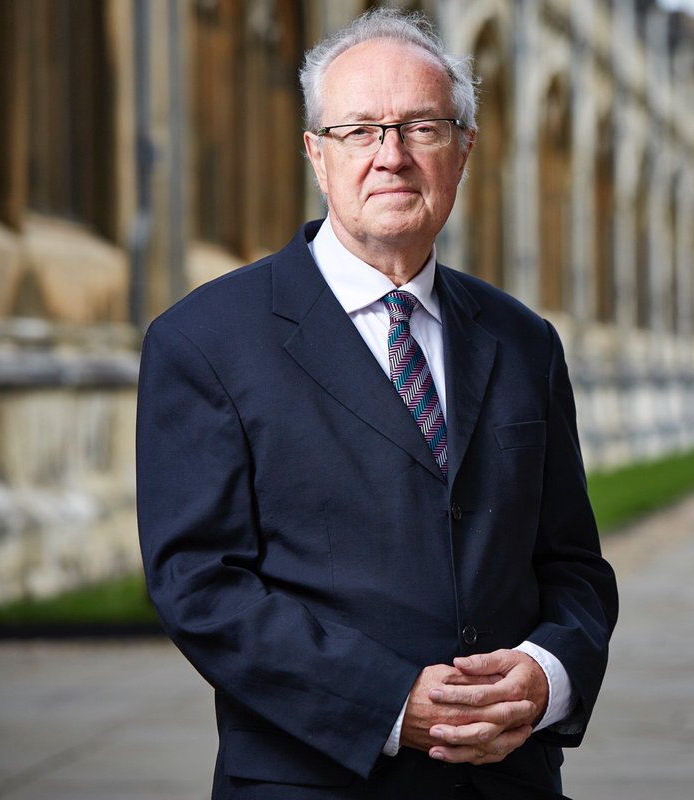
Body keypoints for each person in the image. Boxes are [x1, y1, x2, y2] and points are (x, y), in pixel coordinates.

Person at [136, 9, 618, 799]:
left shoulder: (524, 340)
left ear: (463, 149)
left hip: (510, 782)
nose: (391, 157)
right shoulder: (204, 341)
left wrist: (547, 675)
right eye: (360, 130)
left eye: (422, 127)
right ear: (316, 155)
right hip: (317, 780)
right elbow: (200, 584)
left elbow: (572, 567)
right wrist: (390, 701)